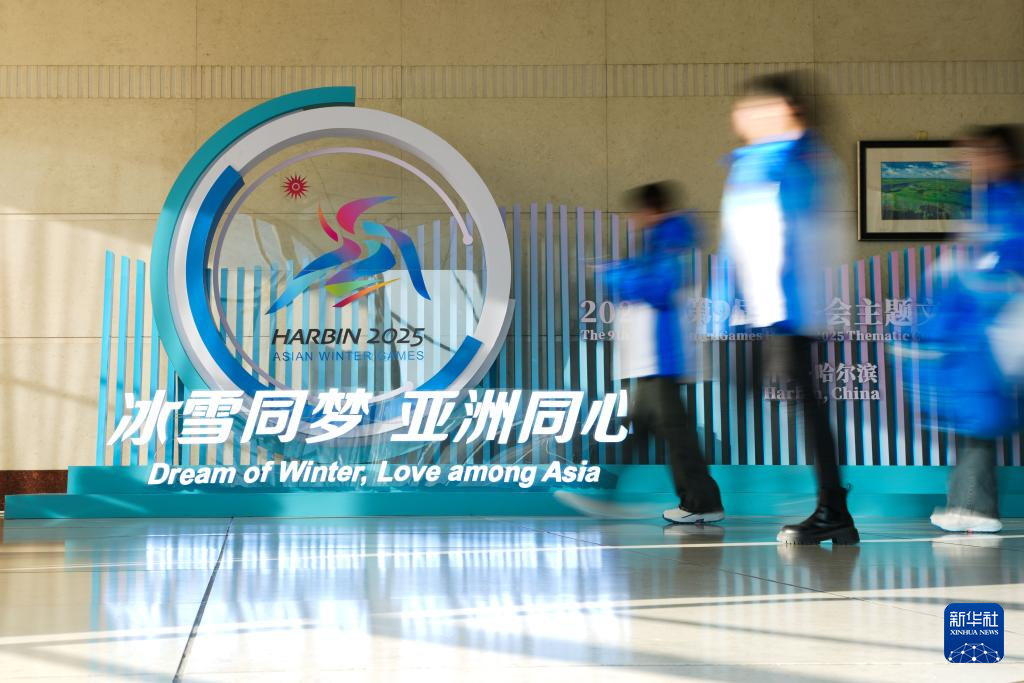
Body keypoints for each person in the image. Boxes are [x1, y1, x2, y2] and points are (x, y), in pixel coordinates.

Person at [720, 73, 858, 545]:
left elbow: (788, 235)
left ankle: (832, 509)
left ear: (781, 110)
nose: (739, 115)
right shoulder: (761, 160)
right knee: (794, 403)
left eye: (750, 107)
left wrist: (776, 307)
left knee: (801, 405)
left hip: (785, 308)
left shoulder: (793, 159)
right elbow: (740, 240)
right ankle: (832, 509)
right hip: (771, 307)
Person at [556, 182, 724, 524]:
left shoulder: (668, 244)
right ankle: (611, 492)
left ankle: (699, 502)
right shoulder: (661, 244)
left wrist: (616, 273)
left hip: (662, 358)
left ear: (650, 211)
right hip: (653, 360)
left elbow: (657, 289)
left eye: (637, 213)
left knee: (674, 435)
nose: (633, 220)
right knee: (644, 428)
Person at [910, 125, 1024, 533]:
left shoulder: (1009, 202)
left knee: (981, 411)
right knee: (979, 413)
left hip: (1005, 321)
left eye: (978, 155)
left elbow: (996, 264)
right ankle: (971, 504)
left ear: (1002, 155)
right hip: (988, 327)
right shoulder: (982, 201)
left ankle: (974, 507)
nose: (969, 164)